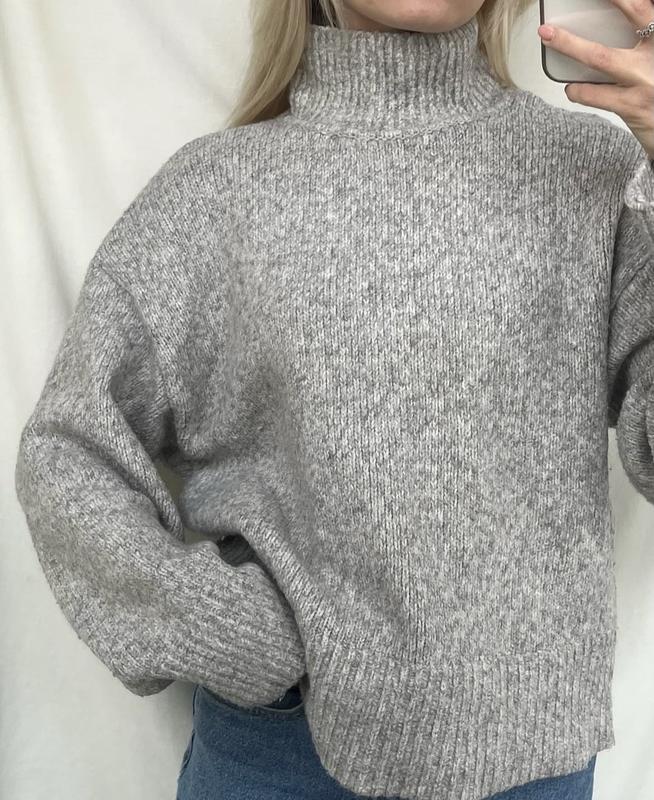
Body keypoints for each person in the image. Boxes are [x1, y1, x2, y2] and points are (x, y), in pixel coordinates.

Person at [13, 0, 654, 798]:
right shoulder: (212, 192)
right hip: (282, 757)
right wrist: (220, 627)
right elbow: (67, 448)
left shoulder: (597, 173)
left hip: (533, 761)